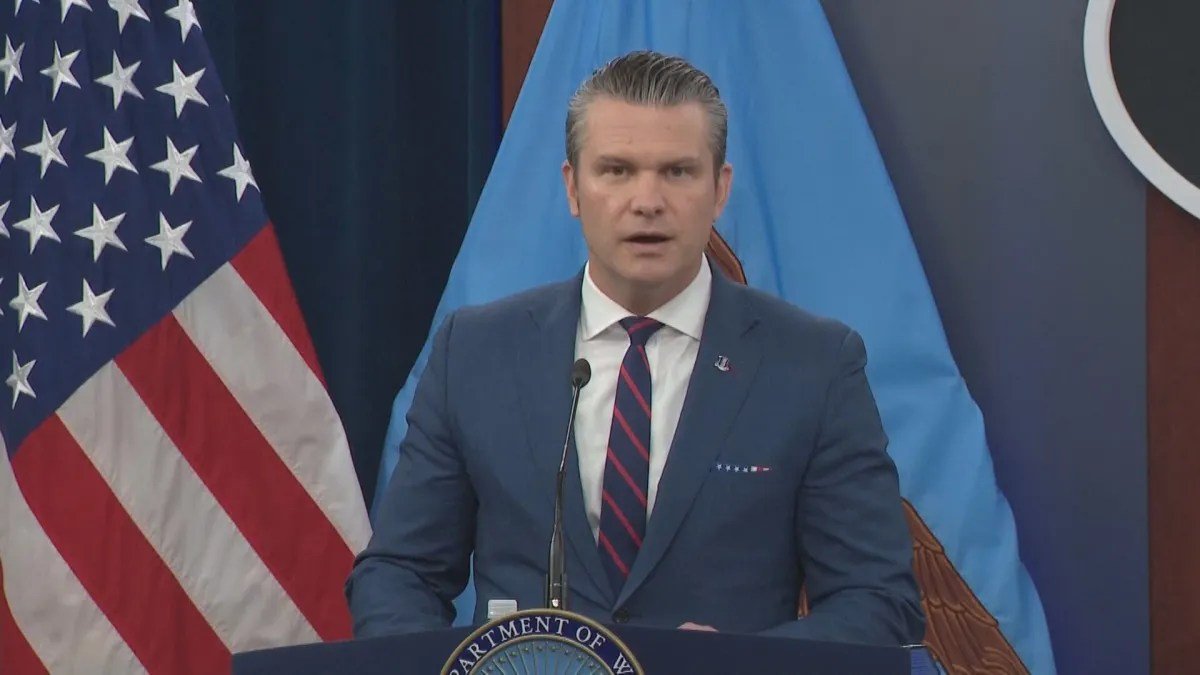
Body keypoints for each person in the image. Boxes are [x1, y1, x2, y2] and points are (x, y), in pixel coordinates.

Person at [346, 50, 925, 645]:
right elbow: (400, 575)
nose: (647, 200)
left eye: (678, 172)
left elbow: (878, 601)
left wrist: (742, 663)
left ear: (720, 190)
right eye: (617, 170)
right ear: (573, 188)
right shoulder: (475, 353)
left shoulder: (813, 365)